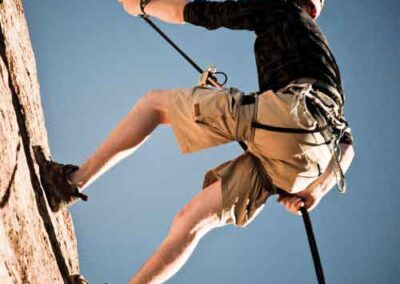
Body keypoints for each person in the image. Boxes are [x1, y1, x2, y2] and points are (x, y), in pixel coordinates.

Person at [37, 0, 355, 283]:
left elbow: (202, 12)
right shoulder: (324, 63)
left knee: (154, 105)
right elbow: (347, 146)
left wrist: (143, 5)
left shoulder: (280, 9)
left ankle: (69, 183)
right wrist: (314, 192)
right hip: (314, 157)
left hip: (292, 118)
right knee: (193, 218)